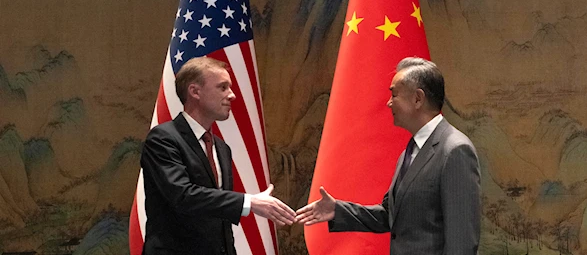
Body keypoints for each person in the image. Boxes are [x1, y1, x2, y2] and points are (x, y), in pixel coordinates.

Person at [296, 57, 481, 254]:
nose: (388, 103)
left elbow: (462, 244)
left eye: (394, 95)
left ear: (418, 98)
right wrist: (338, 210)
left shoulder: (455, 151)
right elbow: (390, 215)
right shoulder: (410, 152)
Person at [141, 57, 295, 255]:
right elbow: (182, 196)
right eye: (222, 88)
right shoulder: (163, 139)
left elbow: (219, 218)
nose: (232, 95)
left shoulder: (221, 148)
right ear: (195, 91)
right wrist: (249, 202)